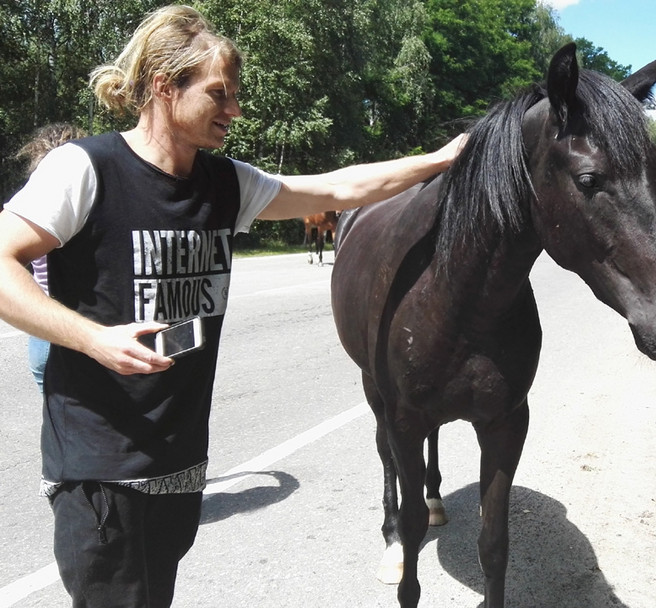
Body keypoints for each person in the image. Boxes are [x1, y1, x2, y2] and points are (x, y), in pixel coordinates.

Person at [0, 5, 464, 607]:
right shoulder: (86, 169)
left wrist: (442, 159)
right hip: (101, 469)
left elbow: (340, 187)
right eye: (219, 94)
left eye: (235, 95)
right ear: (165, 87)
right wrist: (91, 338)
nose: (235, 110)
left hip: (181, 458)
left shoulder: (224, 184)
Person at [14, 123, 89, 393]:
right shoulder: (77, 202)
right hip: (77, 329)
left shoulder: (29, 204)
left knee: (61, 422)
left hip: (41, 332)